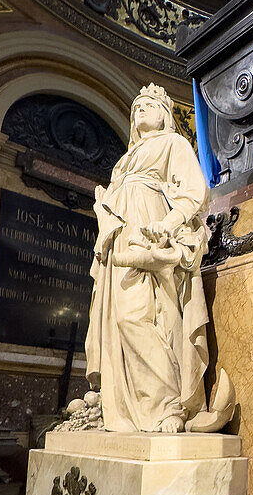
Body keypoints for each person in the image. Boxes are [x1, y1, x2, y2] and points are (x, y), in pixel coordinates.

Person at [85, 83, 210, 433]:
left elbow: (193, 193)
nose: (140, 109)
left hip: (148, 230)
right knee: (116, 322)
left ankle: (168, 403)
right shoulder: (124, 161)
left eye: (149, 104)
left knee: (143, 316)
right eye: (136, 105)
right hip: (118, 238)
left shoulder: (173, 144)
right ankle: (124, 407)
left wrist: (167, 225)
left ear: (165, 114)